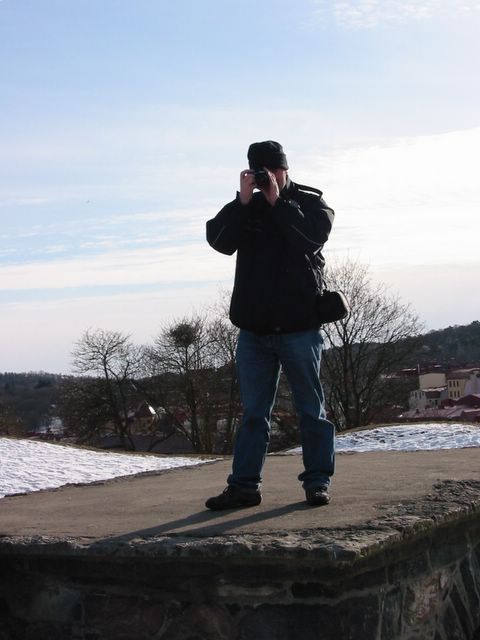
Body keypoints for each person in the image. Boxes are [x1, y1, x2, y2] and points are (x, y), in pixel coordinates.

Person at [205, 140, 335, 510]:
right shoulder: (248, 208)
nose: (268, 178)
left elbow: (309, 238)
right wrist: (243, 202)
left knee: (311, 411)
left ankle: (317, 483)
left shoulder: (311, 204)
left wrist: (279, 202)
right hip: (254, 332)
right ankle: (244, 487)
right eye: (261, 171)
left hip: (300, 328)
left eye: (274, 170)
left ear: (286, 169)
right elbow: (219, 241)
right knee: (253, 415)